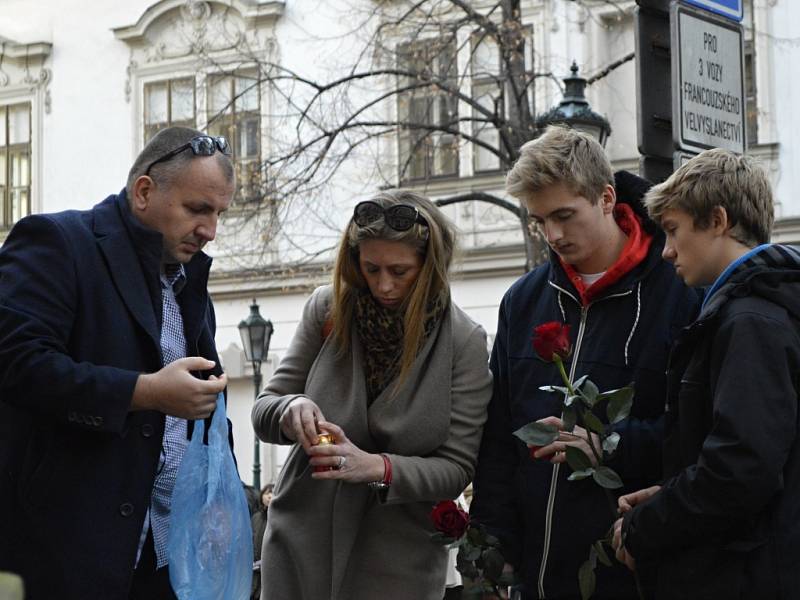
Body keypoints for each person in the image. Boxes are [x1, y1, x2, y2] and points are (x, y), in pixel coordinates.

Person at [0, 126, 234, 599]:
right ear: (144, 191)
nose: (210, 231)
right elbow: (16, 363)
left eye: (219, 213)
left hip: (165, 561)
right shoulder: (57, 241)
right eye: (197, 209)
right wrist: (144, 392)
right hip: (62, 560)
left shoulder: (188, 281)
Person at [469, 126, 700, 600]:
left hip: (637, 567)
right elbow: (499, 436)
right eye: (539, 221)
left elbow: (697, 434)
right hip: (535, 574)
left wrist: (611, 444)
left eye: (564, 215)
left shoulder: (679, 291)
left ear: (606, 197)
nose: (552, 234)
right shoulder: (524, 299)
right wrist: (491, 546)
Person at [251, 190, 493, 600]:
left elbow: (457, 467)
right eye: (371, 268)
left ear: (430, 266)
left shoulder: (464, 341)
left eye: (401, 271)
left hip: (399, 559)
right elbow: (264, 410)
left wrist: (377, 467)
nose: (384, 284)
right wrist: (292, 408)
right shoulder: (327, 309)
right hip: (303, 540)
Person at [612, 149, 800, 598]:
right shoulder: (763, 311)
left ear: (718, 220)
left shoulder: (751, 321)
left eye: (674, 230)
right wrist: (672, 491)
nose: (667, 251)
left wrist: (645, 527)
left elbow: (740, 470)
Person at [250, 483, 274, 600]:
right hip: (254, 569)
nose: (270, 496)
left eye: (273, 493)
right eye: (267, 493)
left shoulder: (279, 517)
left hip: (269, 569)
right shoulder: (256, 517)